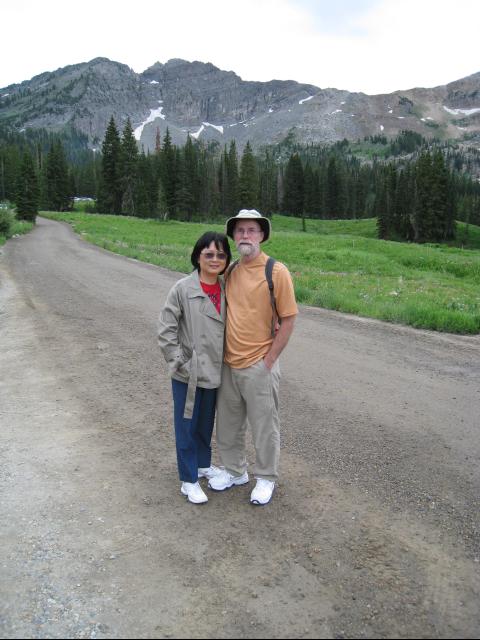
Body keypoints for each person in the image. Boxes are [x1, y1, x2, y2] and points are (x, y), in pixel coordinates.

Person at [208, 209, 298, 505]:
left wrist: (269, 360)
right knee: (228, 425)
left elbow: (288, 319)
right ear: (233, 236)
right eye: (240, 231)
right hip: (229, 363)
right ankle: (235, 472)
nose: (245, 235)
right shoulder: (231, 270)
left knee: (264, 426)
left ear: (261, 235)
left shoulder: (276, 272)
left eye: (251, 230)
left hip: (259, 364)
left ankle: (266, 478)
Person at [158, 232, 232, 504]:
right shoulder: (182, 288)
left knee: (204, 423)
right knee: (186, 425)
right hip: (188, 372)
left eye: (221, 255)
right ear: (197, 256)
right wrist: (179, 361)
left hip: (216, 370)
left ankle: (202, 465)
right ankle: (188, 479)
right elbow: (166, 330)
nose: (215, 259)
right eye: (209, 254)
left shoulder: (227, 288)